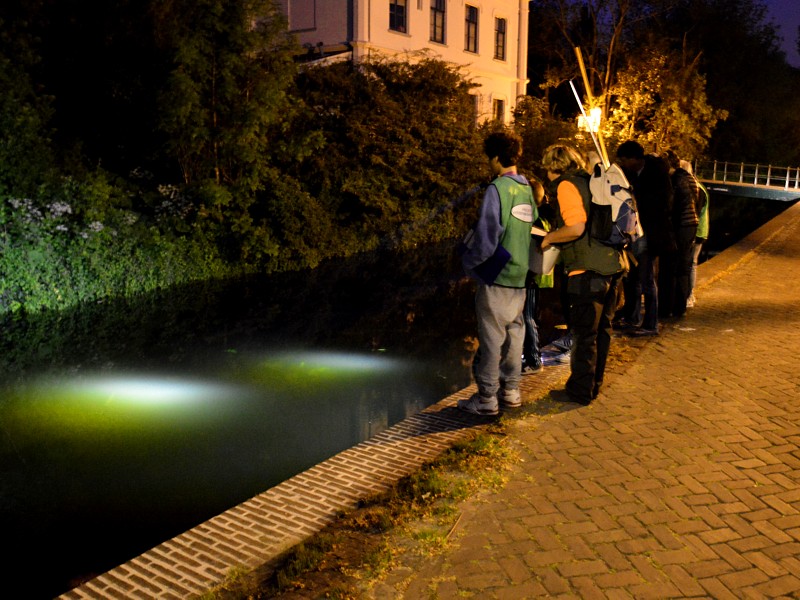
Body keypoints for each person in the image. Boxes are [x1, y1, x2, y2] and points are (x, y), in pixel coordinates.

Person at [539, 143, 627, 405]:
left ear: (553, 167)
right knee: (602, 332)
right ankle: (593, 386)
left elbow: (576, 227)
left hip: (587, 272)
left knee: (583, 335)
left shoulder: (567, 186)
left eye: (547, 169)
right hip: (612, 266)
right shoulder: (590, 181)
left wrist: (549, 238)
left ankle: (578, 392)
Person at [458, 130, 536, 415]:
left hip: (496, 275)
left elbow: (487, 237)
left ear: (495, 158)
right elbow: (532, 225)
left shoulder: (497, 189)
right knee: (515, 334)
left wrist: (470, 265)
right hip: (520, 275)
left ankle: (487, 398)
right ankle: (512, 391)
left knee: (491, 337)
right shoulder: (526, 188)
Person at [614, 141, 673, 336]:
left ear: (633, 159)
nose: (622, 164)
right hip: (637, 232)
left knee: (647, 278)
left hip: (649, 233)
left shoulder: (656, 174)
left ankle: (650, 323)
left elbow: (662, 203)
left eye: (623, 160)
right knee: (635, 277)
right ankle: (634, 318)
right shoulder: (634, 174)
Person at [661, 150, 699, 317]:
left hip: (680, 226)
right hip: (691, 225)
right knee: (684, 267)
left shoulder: (675, 180)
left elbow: (672, 206)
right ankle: (680, 306)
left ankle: (668, 307)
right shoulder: (690, 179)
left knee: (671, 267)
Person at [522, 177, 548, 375]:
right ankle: (528, 356)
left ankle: (533, 360)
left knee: (527, 316)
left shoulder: (533, 219)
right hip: (531, 274)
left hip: (529, 276)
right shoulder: (538, 217)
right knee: (527, 316)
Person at [683, 160, 709, 308]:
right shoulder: (701, 187)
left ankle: (689, 295)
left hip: (696, 231)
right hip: (701, 230)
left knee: (691, 263)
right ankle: (689, 295)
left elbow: (695, 212)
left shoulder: (695, 188)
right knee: (692, 263)